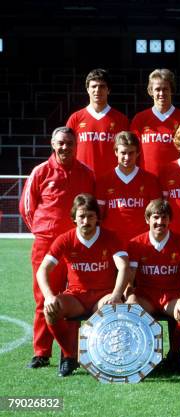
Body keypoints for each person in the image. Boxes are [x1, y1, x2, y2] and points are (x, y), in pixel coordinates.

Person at [19, 126, 95, 370]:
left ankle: (68, 354)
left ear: (76, 145)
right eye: (61, 143)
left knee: (70, 297)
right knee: (44, 298)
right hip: (46, 245)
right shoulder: (41, 172)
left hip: (76, 245)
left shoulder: (86, 173)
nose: (65, 147)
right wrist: (43, 232)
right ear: (53, 144)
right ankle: (41, 352)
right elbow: (27, 206)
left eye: (70, 143)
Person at [36, 194, 130, 376]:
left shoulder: (110, 237)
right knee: (50, 310)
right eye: (81, 216)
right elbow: (42, 270)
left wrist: (117, 294)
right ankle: (70, 356)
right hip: (76, 297)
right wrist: (49, 296)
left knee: (115, 307)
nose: (86, 221)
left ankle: (108, 360)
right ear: (74, 218)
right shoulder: (65, 239)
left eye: (90, 216)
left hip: (103, 296)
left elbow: (124, 266)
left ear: (97, 218)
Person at [126, 199, 180, 371]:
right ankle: (143, 357)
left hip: (171, 296)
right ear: (147, 219)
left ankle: (173, 355)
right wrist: (130, 295)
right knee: (130, 309)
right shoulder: (136, 243)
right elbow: (129, 278)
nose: (160, 222)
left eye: (164, 217)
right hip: (145, 296)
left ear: (169, 220)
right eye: (155, 217)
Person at [95, 131, 161, 245]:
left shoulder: (150, 180)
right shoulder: (103, 181)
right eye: (123, 153)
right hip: (112, 244)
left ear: (138, 152)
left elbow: (157, 215)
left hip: (143, 244)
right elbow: (97, 217)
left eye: (131, 153)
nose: (127, 157)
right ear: (116, 152)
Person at [66, 69, 130, 177]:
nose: (97, 90)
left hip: (112, 180)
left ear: (108, 90)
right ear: (87, 89)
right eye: (94, 86)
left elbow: (129, 152)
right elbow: (67, 150)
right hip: (82, 178)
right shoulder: (75, 118)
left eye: (102, 86)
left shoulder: (121, 119)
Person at [130, 69, 180, 176]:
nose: (161, 93)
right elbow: (132, 151)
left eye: (165, 89)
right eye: (157, 89)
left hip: (177, 179)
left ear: (171, 90)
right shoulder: (139, 119)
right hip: (146, 179)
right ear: (150, 91)